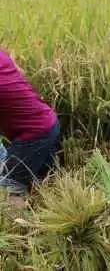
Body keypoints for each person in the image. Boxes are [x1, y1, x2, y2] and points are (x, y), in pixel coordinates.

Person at [0, 50, 60, 206]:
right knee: (38, 183)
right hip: (47, 123)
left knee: (10, 187)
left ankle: (18, 226)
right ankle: (42, 214)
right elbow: (20, 72)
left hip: (35, 135)